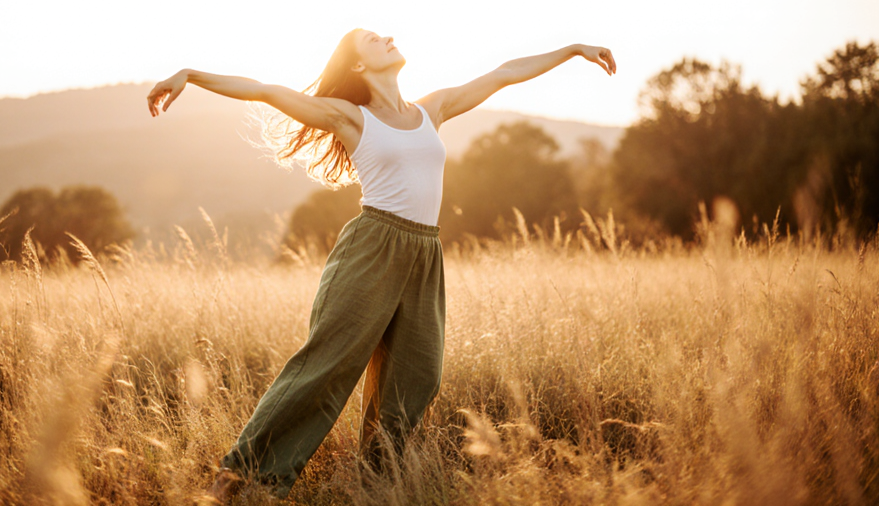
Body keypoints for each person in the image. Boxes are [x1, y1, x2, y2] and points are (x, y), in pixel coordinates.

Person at [146, 29, 616, 503]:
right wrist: (190, 75)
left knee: (418, 375)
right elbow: (268, 91)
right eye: (373, 39)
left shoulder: (430, 110)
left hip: (424, 252)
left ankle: (374, 481)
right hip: (372, 247)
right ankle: (235, 478)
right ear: (356, 66)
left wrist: (574, 50)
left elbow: (503, 75)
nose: (388, 37)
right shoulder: (350, 117)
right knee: (326, 369)